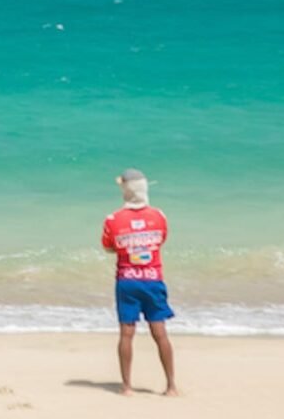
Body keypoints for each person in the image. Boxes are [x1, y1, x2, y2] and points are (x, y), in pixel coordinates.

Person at [102, 168, 178, 397]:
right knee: (160, 332)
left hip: (127, 281)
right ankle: (171, 386)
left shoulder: (113, 219)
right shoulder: (159, 216)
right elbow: (161, 239)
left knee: (126, 333)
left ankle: (126, 387)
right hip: (153, 280)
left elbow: (108, 247)